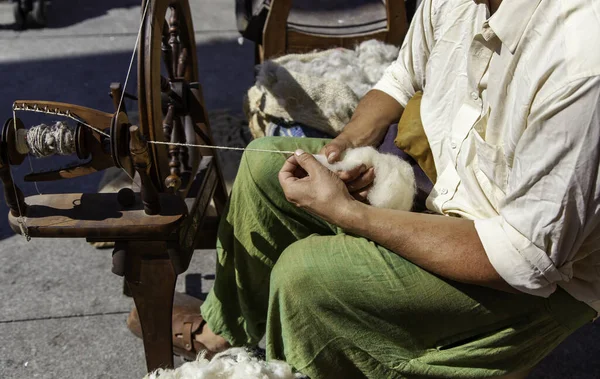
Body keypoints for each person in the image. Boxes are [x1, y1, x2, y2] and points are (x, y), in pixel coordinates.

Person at [128, 0, 600, 377]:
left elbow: (526, 260)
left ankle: (307, 362)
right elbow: (399, 80)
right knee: (263, 165)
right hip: (450, 203)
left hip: (537, 283)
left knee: (307, 276)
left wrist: (352, 215)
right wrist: (346, 145)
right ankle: (228, 334)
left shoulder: (580, 56)